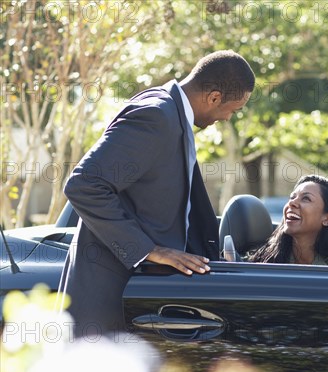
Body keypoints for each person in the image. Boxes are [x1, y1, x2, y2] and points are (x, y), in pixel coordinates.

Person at [59, 50, 255, 337]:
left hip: (140, 301)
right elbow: (84, 184)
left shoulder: (170, 113)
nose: (228, 118)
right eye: (233, 110)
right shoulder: (157, 115)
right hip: (110, 302)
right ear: (214, 97)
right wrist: (149, 250)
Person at [249, 175, 328, 267]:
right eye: (292, 197)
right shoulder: (268, 257)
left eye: (306, 198)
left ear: (327, 219)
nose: (291, 203)